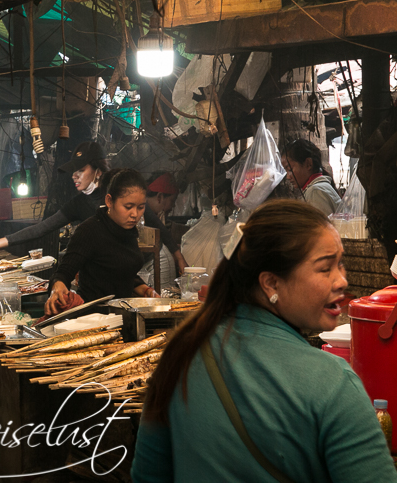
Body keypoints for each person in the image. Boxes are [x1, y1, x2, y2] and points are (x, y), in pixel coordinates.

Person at [132, 200, 397, 483]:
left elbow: (148, 476)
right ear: (271, 283)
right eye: (325, 268)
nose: (342, 280)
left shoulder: (181, 353)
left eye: (340, 264)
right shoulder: (333, 381)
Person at [0, 141, 187, 274]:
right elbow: (44, 227)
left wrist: (178, 257)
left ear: (97, 170)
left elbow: (155, 223)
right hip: (112, 269)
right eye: (73, 171)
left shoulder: (121, 193)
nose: (74, 176)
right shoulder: (79, 202)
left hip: (149, 263)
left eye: (81, 170)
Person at [44, 169, 158, 315]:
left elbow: (119, 270)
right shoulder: (90, 230)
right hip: (94, 318)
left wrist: (145, 289)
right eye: (128, 207)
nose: (135, 214)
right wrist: (57, 287)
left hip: (125, 315)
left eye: (141, 207)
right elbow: (63, 273)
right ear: (109, 201)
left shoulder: (127, 229)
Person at [282, 139, 342, 216]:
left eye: (290, 169)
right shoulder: (320, 188)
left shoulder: (315, 192)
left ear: (308, 164)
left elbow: (321, 227)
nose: (288, 177)